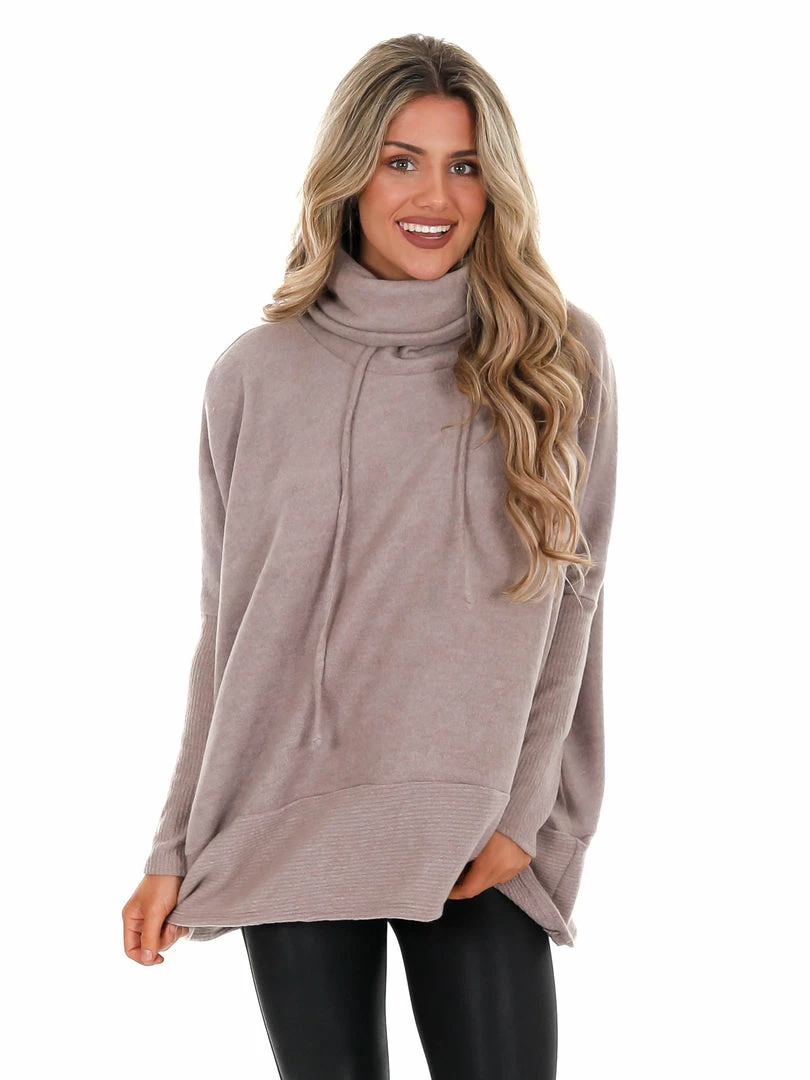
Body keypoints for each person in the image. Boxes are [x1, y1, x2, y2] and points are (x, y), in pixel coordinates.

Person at [122, 32, 618, 1080]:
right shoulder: (254, 375)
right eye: (402, 160)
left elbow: (576, 602)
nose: (435, 195)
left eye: (464, 164)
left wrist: (524, 814)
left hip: (473, 822)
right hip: (287, 815)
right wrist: (172, 845)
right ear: (351, 174)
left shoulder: (553, 355)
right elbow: (228, 628)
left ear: (496, 184)